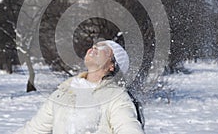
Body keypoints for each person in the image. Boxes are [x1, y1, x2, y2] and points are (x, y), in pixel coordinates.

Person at [15, 40, 144, 134]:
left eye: (103, 47)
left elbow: (128, 128)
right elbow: (34, 129)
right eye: (95, 45)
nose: (94, 47)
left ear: (112, 66)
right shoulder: (64, 92)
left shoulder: (117, 97)